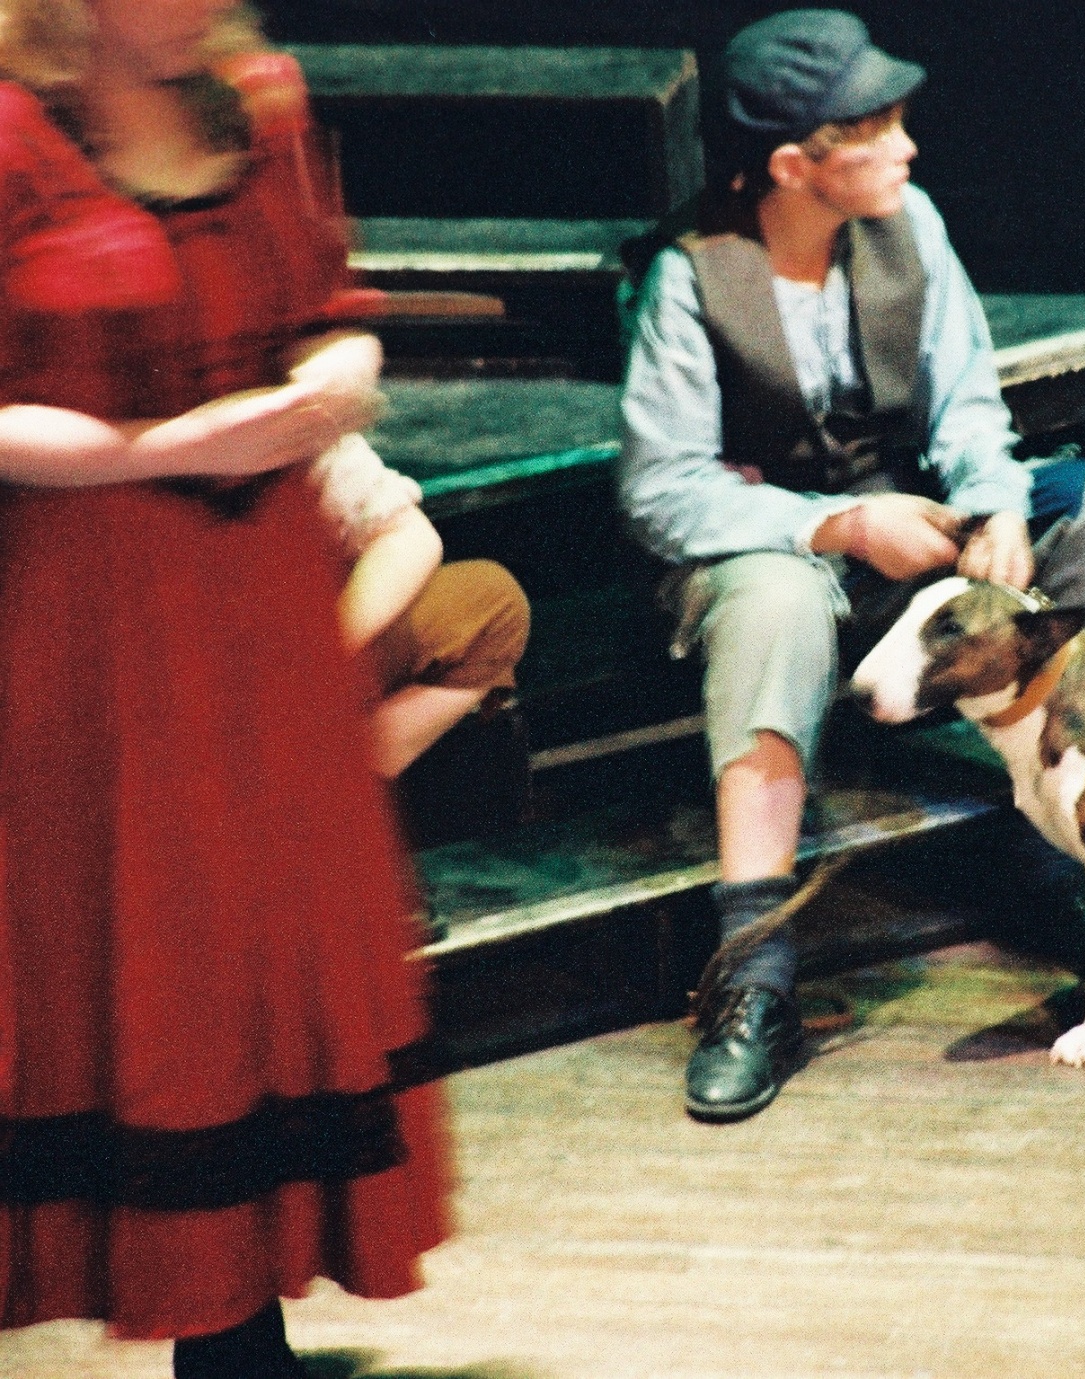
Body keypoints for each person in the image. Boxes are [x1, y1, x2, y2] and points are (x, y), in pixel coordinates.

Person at [0, 3, 450, 1376]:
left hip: (262, 615)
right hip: (93, 624)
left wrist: (328, 387)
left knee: (248, 962)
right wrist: (167, 445)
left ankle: (238, 1334)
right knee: (134, 953)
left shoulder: (263, 102)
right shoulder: (11, 135)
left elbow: (333, 314)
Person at [618, 8, 1085, 1124]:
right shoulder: (689, 275)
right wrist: (841, 524)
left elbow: (969, 406)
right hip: (764, 551)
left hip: (904, 533)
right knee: (774, 601)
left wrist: (995, 505)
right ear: (792, 166)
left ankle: (1075, 850)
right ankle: (754, 976)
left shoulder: (910, 225)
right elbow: (663, 491)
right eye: (874, 130)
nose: (907, 147)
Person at [312, 431, 530, 780]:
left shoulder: (300, 426)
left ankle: (338, 778)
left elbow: (408, 535)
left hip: (299, 656)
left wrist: (314, 655)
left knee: (492, 605)